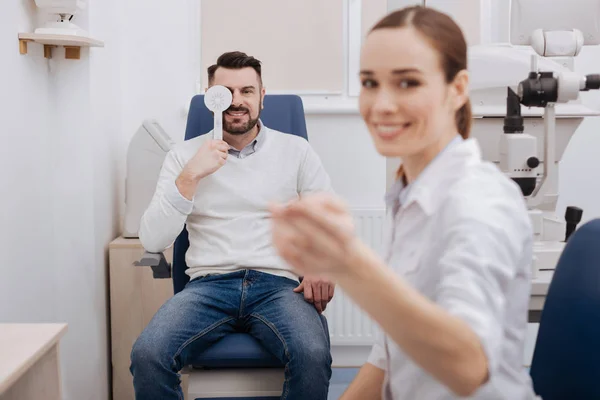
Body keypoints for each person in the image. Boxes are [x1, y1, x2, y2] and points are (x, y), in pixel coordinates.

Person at [270, 6, 538, 400]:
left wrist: (346, 263)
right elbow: (387, 358)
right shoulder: (409, 196)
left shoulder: (477, 200)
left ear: (458, 88)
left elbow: (467, 368)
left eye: (408, 83)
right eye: (369, 82)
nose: (381, 105)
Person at [130, 51, 334, 400]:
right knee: (147, 355)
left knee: (312, 355)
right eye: (226, 92)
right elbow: (152, 238)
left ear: (262, 96)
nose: (236, 101)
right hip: (208, 287)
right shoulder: (184, 156)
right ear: (211, 98)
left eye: (247, 91)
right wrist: (191, 175)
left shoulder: (295, 151)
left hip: (279, 285)